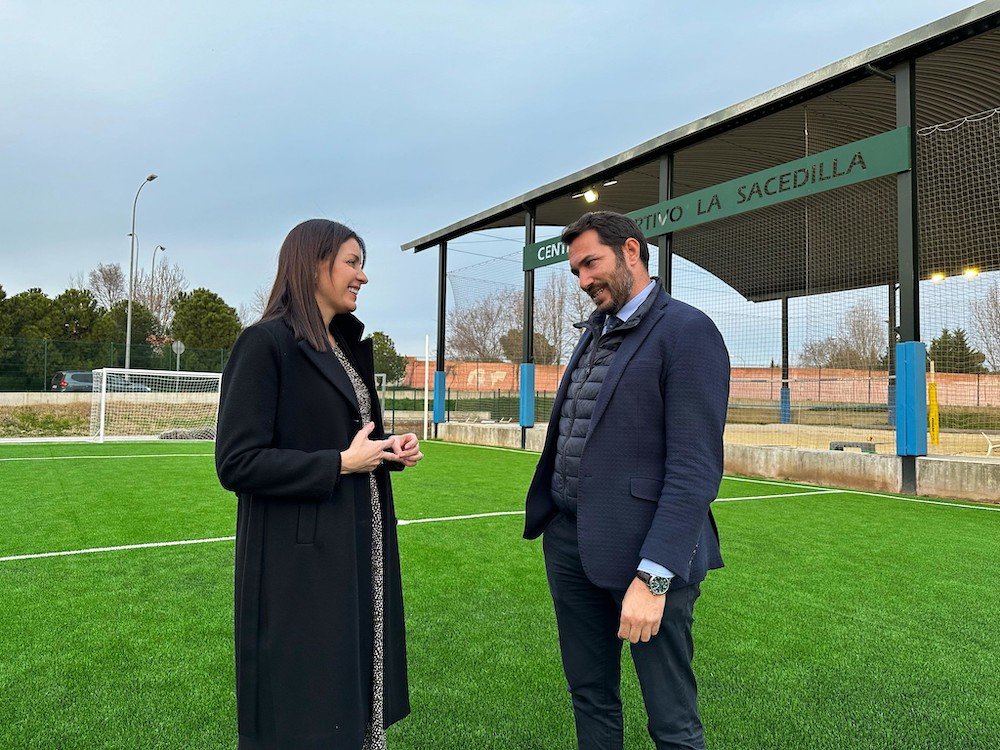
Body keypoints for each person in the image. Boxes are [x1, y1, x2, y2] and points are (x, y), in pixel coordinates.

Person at [524, 211, 730, 750]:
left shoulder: (688, 332)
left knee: (671, 720)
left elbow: (695, 468)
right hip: (569, 542)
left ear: (631, 252)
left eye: (590, 263)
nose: (583, 279)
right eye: (576, 271)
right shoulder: (596, 331)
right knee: (590, 696)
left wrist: (654, 577)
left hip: (645, 554)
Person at [215, 218, 423, 750]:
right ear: (312, 265)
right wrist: (339, 464)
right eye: (352, 263)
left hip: (359, 544)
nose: (363, 276)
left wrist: (386, 450)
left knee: (353, 692)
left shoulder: (344, 346)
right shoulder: (265, 343)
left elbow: (344, 437)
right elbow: (237, 462)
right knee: (306, 706)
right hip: (301, 561)